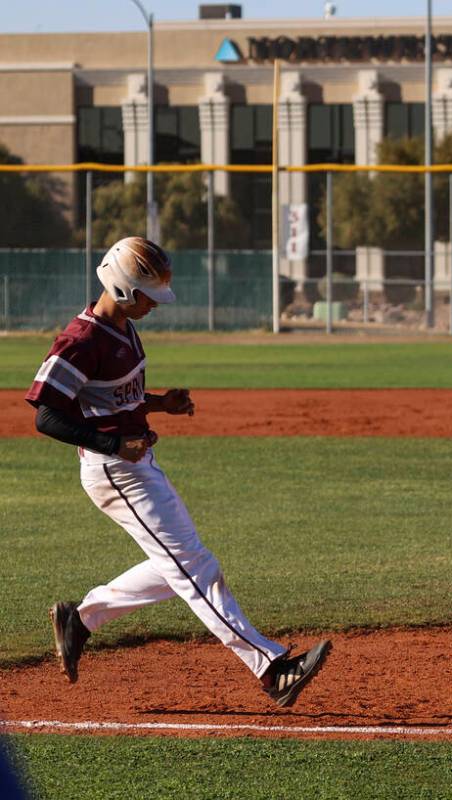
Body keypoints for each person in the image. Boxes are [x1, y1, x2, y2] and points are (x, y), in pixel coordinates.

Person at [26, 236, 330, 708]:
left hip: (135, 464)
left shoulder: (122, 327)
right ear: (124, 289)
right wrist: (111, 444)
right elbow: (46, 415)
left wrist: (160, 405)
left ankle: (80, 620)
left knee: (178, 566)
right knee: (195, 567)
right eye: (147, 295)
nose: (155, 305)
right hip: (114, 471)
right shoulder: (81, 339)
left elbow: (110, 398)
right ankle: (271, 669)